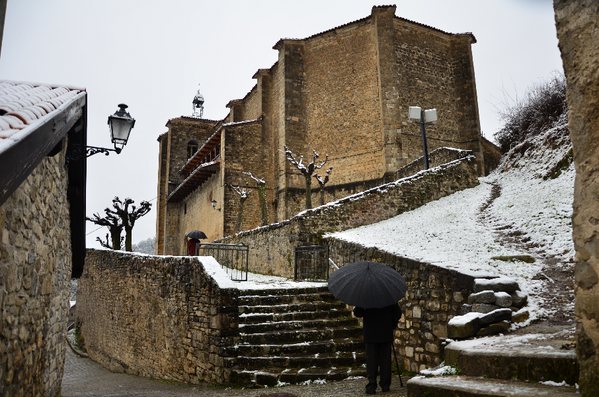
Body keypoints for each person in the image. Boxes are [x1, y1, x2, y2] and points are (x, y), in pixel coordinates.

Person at [353, 304, 402, 395]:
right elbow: (398, 313)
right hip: (385, 332)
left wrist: (359, 305)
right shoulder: (388, 296)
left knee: (371, 360)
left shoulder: (365, 297)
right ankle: (385, 385)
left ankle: (371, 386)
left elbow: (358, 313)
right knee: (385, 360)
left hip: (370, 333)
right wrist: (392, 323)